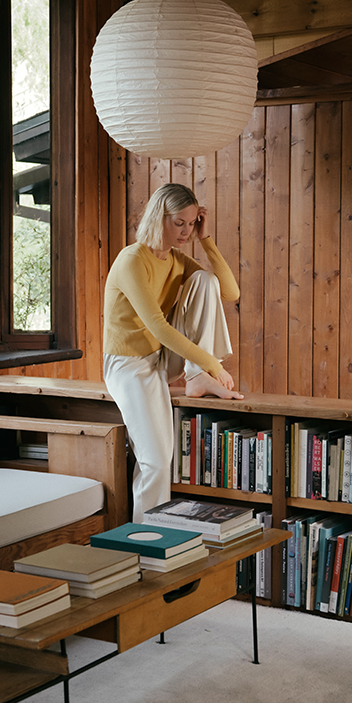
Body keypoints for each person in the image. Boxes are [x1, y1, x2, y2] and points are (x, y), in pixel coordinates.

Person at [102, 183, 243, 522]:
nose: (186, 231)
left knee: (206, 282)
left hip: (162, 358)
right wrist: (214, 366)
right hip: (128, 364)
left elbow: (230, 291)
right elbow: (158, 327)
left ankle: (195, 379)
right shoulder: (132, 259)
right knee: (155, 460)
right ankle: (145, 538)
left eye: (192, 223)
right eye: (179, 222)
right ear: (159, 217)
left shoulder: (177, 260)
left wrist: (206, 240)